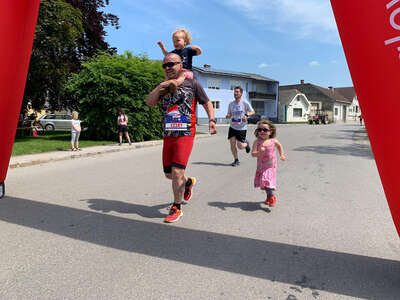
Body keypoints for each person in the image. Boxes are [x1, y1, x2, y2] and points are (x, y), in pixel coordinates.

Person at [146, 53, 217, 223]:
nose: (168, 67)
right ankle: (188, 182)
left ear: (180, 64)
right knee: (170, 175)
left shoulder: (192, 84)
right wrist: (160, 86)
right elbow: (149, 102)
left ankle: (176, 207)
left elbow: (206, 102)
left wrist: (212, 120)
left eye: (171, 64)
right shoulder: (162, 86)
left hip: (185, 133)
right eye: (165, 65)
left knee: (177, 171)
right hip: (168, 134)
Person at [157, 28, 202, 96]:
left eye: (178, 40)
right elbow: (167, 55)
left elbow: (199, 53)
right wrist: (162, 47)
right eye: (174, 41)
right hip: (177, 72)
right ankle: (165, 88)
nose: (175, 43)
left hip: (187, 72)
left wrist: (197, 48)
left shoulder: (188, 50)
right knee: (167, 75)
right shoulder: (174, 52)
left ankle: (175, 84)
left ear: (185, 42)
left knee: (182, 74)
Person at [251, 120, 285, 207]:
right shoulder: (257, 142)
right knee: (264, 183)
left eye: (265, 130)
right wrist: (259, 153)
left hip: (271, 166)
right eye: (260, 130)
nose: (262, 131)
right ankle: (268, 196)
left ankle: (272, 197)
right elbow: (253, 154)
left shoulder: (273, 141)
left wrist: (282, 155)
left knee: (267, 181)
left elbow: (279, 146)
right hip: (261, 166)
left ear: (270, 132)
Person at [226, 86, 255, 166]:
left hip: (242, 128)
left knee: (240, 146)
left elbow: (253, 112)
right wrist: (228, 115)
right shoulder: (231, 104)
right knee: (232, 144)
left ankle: (246, 143)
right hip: (232, 127)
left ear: (241, 93)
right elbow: (229, 113)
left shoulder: (245, 103)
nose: (235, 93)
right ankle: (236, 160)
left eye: (237, 92)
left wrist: (246, 115)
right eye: (235, 92)